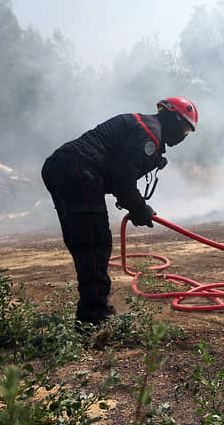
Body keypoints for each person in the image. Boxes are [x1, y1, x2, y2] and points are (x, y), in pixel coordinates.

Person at [41, 97, 198, 328]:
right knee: (95, 243)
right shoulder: (150, 134)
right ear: (174, 118)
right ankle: (93, 319)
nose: (184, 136)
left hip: (61, 166)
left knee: (83, 242)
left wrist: (135, 204)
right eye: (185, 129)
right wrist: (140, 208)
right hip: (79, 170)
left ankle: (93, 309)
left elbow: (119, 177)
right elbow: (123, 180)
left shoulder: (147, 127)